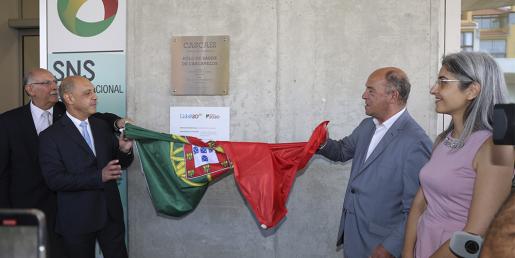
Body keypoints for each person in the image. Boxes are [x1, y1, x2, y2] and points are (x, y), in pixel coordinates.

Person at [0, 68, 125, 258]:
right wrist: (6, 212)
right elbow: (3, 171)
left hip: (71, 206)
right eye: (46, 83)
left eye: (54, 82)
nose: (53, 87)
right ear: (30, 89)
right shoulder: (8, 122)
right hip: (32, 205)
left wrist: (117, 123)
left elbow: (101, 119)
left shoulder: (67, 110)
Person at [402, 52, 514, 258]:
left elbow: (474, 235)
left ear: (472, 90)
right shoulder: (442, 141)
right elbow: (420, 203)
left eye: (443, 82)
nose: (433, 89)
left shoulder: (494, 149)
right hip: (425, 245)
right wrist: (407, 252)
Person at [317, 67, 432, 258]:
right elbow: (342, 150)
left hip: (381, 246)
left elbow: (417, 207)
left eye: (371, 91)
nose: (364, 96)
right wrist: (322, 143)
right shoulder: (367, 126)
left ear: (393, 96)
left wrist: (390, 247)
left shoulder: (415, 142)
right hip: (355, 237)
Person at [38, 75, 133, 258]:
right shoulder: (50, 136)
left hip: (111, 216)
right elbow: (55, 180)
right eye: (88, 93)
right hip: (76, 221)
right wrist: (99, 177)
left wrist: (124, 150)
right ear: (69, 98)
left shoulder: (101, 127)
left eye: (94, 91)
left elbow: (120, 164)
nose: (95, 96)